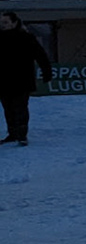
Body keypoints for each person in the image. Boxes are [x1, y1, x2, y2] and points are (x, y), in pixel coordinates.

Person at [0, 11, 53, 145]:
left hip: (22, 79)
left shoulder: (26, 38)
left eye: (6, 22)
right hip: (3, 80)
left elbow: (40, 55)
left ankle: (22, 135)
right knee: (8, 108)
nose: (3, 25)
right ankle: (12, 133)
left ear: (14, 22)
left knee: (20, 107)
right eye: (1, 23)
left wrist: (47, 71)